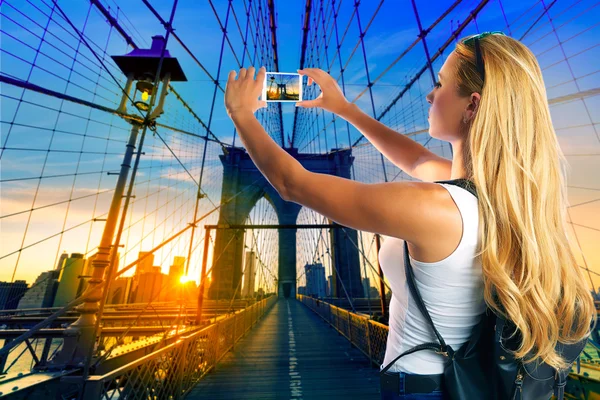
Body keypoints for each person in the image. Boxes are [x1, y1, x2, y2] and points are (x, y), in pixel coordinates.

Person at [224, 32, 596, 399]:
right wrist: (345, 109)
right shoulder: (500, 197)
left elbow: (292, 184)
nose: (431, 95)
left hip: (419, 391)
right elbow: (416, 159)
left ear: (472, 105)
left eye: (441, 83)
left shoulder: (434, 208)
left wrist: (240, 113)